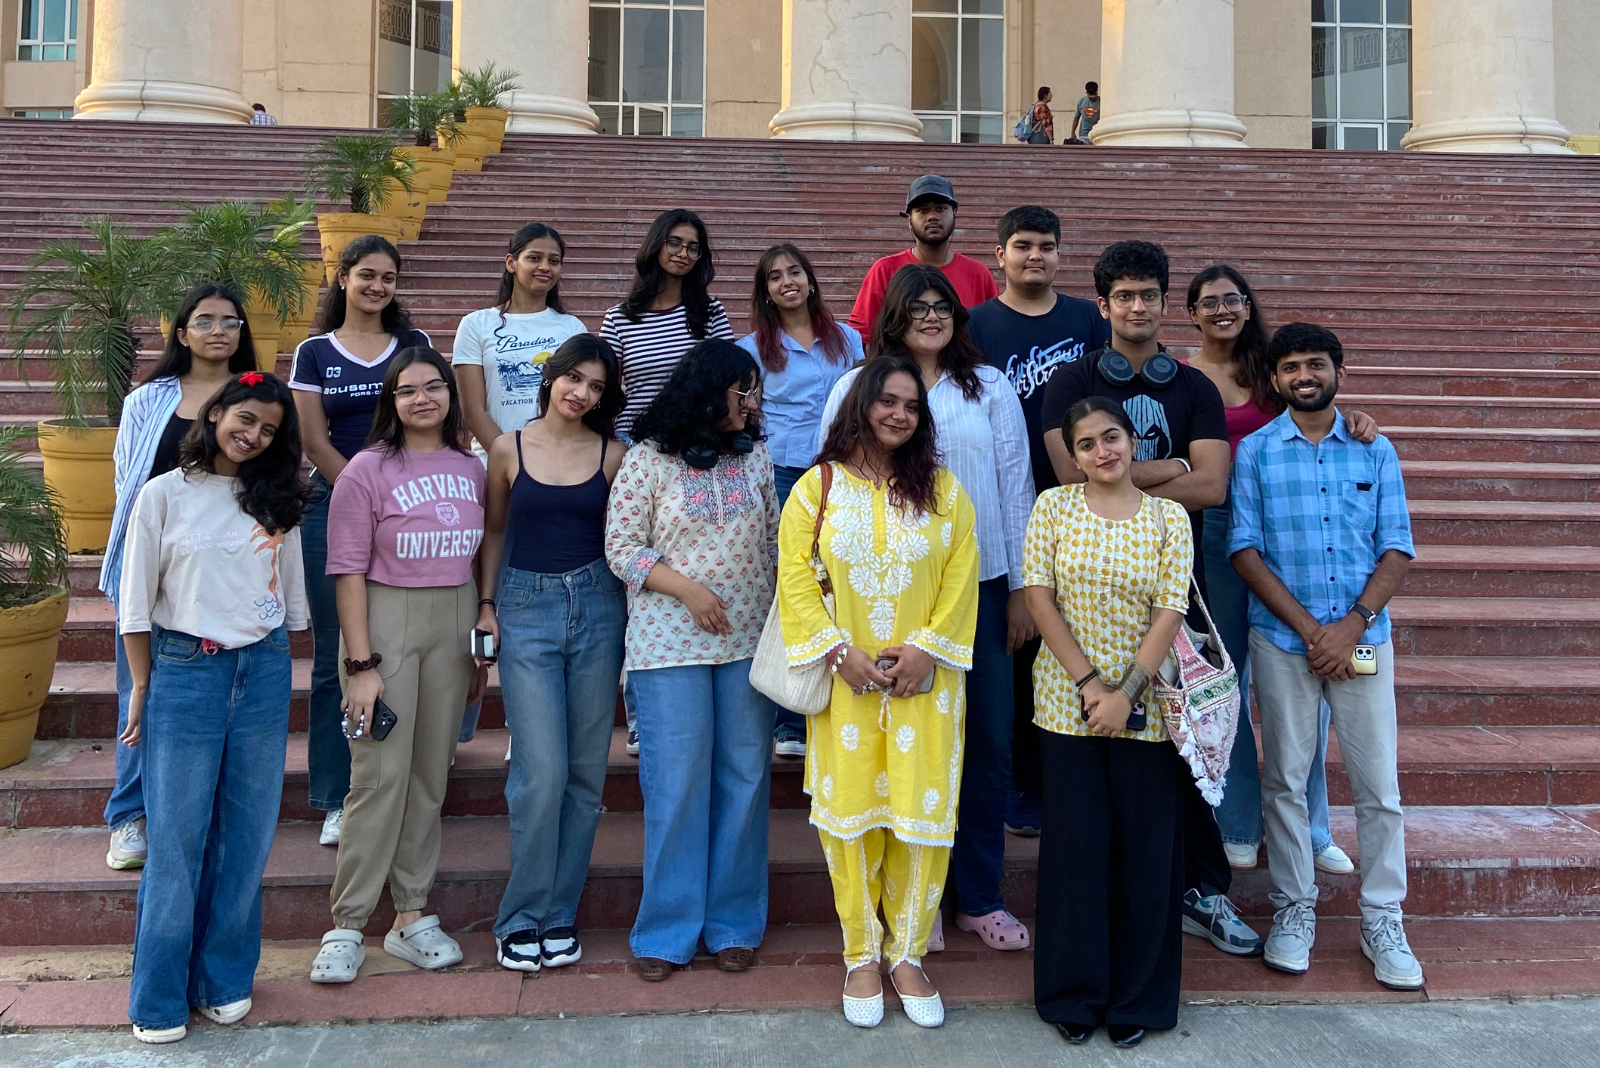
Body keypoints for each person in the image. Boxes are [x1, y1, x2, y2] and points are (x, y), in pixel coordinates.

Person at [1039, 240, 1262, 959]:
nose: (1138, 307)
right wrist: (1167, 466)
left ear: (1167, 303)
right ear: (1101, 304)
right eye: (1124, 296)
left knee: (1189, 732)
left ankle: (1205, 888)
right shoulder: (1069, 379)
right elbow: (1069, 484)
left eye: (1149, 295)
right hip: (1092, 589)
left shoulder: (1192, 385)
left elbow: (1213, 485)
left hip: (1183, 590)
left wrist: (1131, 482)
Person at [822, 265, 1034, 953]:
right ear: (893, 314)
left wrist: (1026, 589)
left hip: (981, 587)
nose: (934, 315)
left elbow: (1015, 484)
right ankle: (915, 905)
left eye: (945, 305)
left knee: (989, 745)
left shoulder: (990, 387)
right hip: (883, 597)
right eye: (919, 306)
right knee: (905, 750)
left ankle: (976, 895)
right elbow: (830, 480)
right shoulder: (856, 388)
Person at [778, 356, 979, 1030]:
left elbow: (960, 576)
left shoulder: (945, 491)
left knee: (923, 820)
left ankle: (908, 955)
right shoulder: (817, 490)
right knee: (853, 815)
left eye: (911, 406)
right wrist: (839, 652)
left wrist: (927, 650)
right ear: (859, 406)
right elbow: (796, 580)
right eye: (886, 402)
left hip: (928, 683)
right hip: (848, 683)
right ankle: (861, 951)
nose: (898, 414)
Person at [1230, 323, 1422, 991]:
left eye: (1316, 363)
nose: (1305, 375)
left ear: (1338, 369)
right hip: (1284, 641)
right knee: (1284, 779)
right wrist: (1315, 631)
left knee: (1379, 788)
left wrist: (1352, 625)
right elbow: (1245, 551)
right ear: (1276, 379)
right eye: (1291, 367)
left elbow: (1396, 546)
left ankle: (1383, 916)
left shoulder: (1376, 450)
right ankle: (1294, 910)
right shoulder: (1255, 452)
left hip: (1365, 638)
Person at [118, 371, 308, 1043]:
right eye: (245, 418)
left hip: (262, 669)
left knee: (248, 834)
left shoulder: (277, 499)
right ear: (217, 411)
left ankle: (225, 979)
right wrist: (141, 685)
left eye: (269, 430)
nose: (253, 435)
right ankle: (159, 997)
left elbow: (287, 601)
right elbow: (135, 605)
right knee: (176, 839)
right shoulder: (164, 494)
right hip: (183, 672)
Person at [1182, 265, 1370, 878]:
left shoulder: (1275, 366)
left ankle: (1313, 828)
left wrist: (1360, 421)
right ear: (1191, 312)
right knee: (1228, 681)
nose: (1223, 310)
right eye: (1209, 302)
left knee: (1302, 683)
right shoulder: (1180, 374)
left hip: (1287, 535)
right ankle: (1239, 821)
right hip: (1215, 534)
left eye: (1233, 299)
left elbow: (1319, 409)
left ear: (1248, 305)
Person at [603, 339, 781, 982]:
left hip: (747, 645)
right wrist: (688, 590)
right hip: (667, 644)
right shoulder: (648, 459)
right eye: (742, 389)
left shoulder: (756, 456)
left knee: (744, 779)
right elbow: (620, 547)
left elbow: (772, 542)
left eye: (754, 390)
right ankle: (667, 929)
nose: (752, 401)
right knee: (676, 786)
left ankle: (734, 923)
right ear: (708, 389)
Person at [308, 348, 487, 984]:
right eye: (406, 390)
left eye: (433, 387)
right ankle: (348, 923)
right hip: (384, 620)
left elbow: (480, 550)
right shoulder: (366, 469)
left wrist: (479, 631)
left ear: (451, 395)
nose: (422, 399)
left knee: (429, 773)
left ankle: (411, 916)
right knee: (378, 774)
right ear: (391, 400)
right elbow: (346, 570)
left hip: (454, 616)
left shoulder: (472, 466)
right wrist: (360, 664)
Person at [1024, 396, 1193, 1050]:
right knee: (1076, 851)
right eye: (1088, 443)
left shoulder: (1167, 516)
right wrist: (1093, 686)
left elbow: (1169, 609)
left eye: (1112, 437)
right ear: (1074, 453)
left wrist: (1127, 691)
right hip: (1066, 705)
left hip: (1146, 709)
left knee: (1146, 856)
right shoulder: (1054, 508)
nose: (1103, 452)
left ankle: (1139, 999)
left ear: (1133, 439)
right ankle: (1073, 992)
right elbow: (1040, 597)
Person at [475, 335, 627, 974]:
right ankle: (521, 916)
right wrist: (486, 606)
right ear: (552, 377)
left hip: (597, 606)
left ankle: (559, 913)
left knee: (587, 772)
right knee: (541, 772)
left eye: (596, 387)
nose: (582, 393)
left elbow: (624, 538)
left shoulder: (614, 454)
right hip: (525, 607)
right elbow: (495, 529)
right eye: (574, 379)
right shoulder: (507, 448)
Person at [99, 284, 257, 872]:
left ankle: (193, 811)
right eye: (205, 320)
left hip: (223, 572)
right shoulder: (149, 399)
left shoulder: (254, 394)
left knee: (210, 698)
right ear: (182, 331)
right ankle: (130, 815)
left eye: (230, 322)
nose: (219, 330)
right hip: (151, 563)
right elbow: (127, 479)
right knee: (137, 692)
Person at [967, 206, 1109, 839]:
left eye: (1047, 246)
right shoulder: (976, 325)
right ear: (999, 254)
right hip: (1005, 502)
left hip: (1081, 499)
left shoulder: (1086, 319)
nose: (1035, 256)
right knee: (1021, 643)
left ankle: (1073, 772)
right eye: (1022, 246)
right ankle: (1025, 782)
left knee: (1080, 634)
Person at [289, 235, 430, 848]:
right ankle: (336, 796)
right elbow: (313, 440)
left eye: (388, 278)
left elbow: (429, 420)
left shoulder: (415, 347)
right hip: (334, 506)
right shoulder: (314, 352)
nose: (377, 287)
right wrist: (366, 492)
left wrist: (393, 496)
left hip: (413, 510)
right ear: (342, 277)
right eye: (367, 275)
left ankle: (401, 782)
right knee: (335, 658)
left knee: (408, 646)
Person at [737, 242, 865, 760]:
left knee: (842, 582)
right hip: (786, 475)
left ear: (811, 280)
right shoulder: (752, 348)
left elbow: (862, 400)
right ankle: (790, 718)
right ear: (764, 291)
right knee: (793, 587)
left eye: (794, 272)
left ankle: (839, 699)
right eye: (774, 276)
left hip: (844, 472)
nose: (786, 281)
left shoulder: (848, 341)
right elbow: (747, 413)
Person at [453, 222, 589, 454]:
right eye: (534, 258)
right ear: (511, 263)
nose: (545, 267)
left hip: (559, 460)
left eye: (554, 261)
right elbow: (473, 412)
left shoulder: (573, 328)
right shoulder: (476, 324)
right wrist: (510, 459)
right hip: (494, 460)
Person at [601, 208, 733, 444]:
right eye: (674, 243)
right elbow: (606, 390)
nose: (683, 253)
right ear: (656, 245)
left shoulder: (711, 312)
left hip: (694, 441)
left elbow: (732, 377)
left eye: (693, 248)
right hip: (633, 441)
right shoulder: (618, 318)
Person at [846, 175, 998, 335]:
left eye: (940, 209)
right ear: (909, 220)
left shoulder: (978, 274)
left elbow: (996, 329)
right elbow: (860, 336)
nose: (932, 216)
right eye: (923, 210)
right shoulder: (885, 270)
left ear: (954, 213)